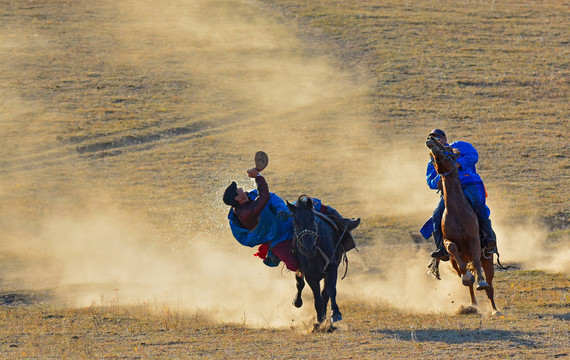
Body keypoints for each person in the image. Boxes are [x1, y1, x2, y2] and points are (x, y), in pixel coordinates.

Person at [223, 168, 360, 271]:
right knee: (294, 265)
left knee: (311, 203)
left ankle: (342, 223)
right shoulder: (245, 214)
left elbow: (272, 197)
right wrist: (257, 176)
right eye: (238, 190)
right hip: (276, 236)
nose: (240, 188)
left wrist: (281, 209)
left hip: (285, 219)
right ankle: (275, 253)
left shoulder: (250, 195)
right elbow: (264, 198)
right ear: (237, 198)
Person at [421, 129, 497, 260]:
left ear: (444, 138)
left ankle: (488, 238)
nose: (436, 141)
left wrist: (457, 164)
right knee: (437, 214)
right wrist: (439, 180)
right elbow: (430, 181)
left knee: (478, 205)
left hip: (468, 183)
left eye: (437, 138)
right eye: (432, 140)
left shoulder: (460, 146)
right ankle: (441, 247)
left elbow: (473, 156)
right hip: (449, 190)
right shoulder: (433, 160)